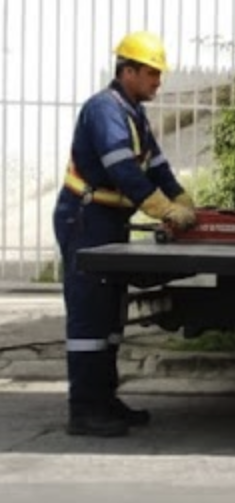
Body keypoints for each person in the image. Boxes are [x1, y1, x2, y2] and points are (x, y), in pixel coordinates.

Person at [55, 31, 197, 436]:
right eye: (152, 73)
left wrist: (184, 201)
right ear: (128, 71)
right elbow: (124, 171)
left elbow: (157, 168)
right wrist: (162, 209)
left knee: (110, 317)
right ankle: (83, 410)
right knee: (89, 319)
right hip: (85, 219)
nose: (158, 81)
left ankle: (105, 400)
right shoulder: (104, 111)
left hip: (107, 220)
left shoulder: (133, 112)